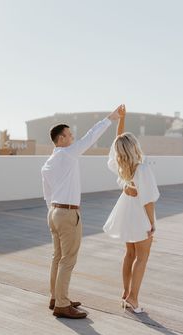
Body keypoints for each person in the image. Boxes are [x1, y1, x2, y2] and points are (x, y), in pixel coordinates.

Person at [41, 105, 123, 319]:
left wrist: (53, 213)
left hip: (54, 212)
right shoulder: (67, 154)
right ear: (60, 139)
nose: (73, 137)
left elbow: (47, 195)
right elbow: (90, 137)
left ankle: (56, 297)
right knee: (67, 259)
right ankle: (61, 304)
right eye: (69, 134)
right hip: (67, 213)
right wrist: (110, 119)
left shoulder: (48, 164)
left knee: (57, 257)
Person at [103, 106, 160, 313]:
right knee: (142, 257)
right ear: (134, 147)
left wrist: (121, 120)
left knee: (129, 254)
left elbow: (116, 145)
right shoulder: (143, 169)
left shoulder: (120, 166)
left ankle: (126, 294)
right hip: (139, 215)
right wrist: (152, 223)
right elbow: (149, 200)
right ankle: (134, 299)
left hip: (126, 212)